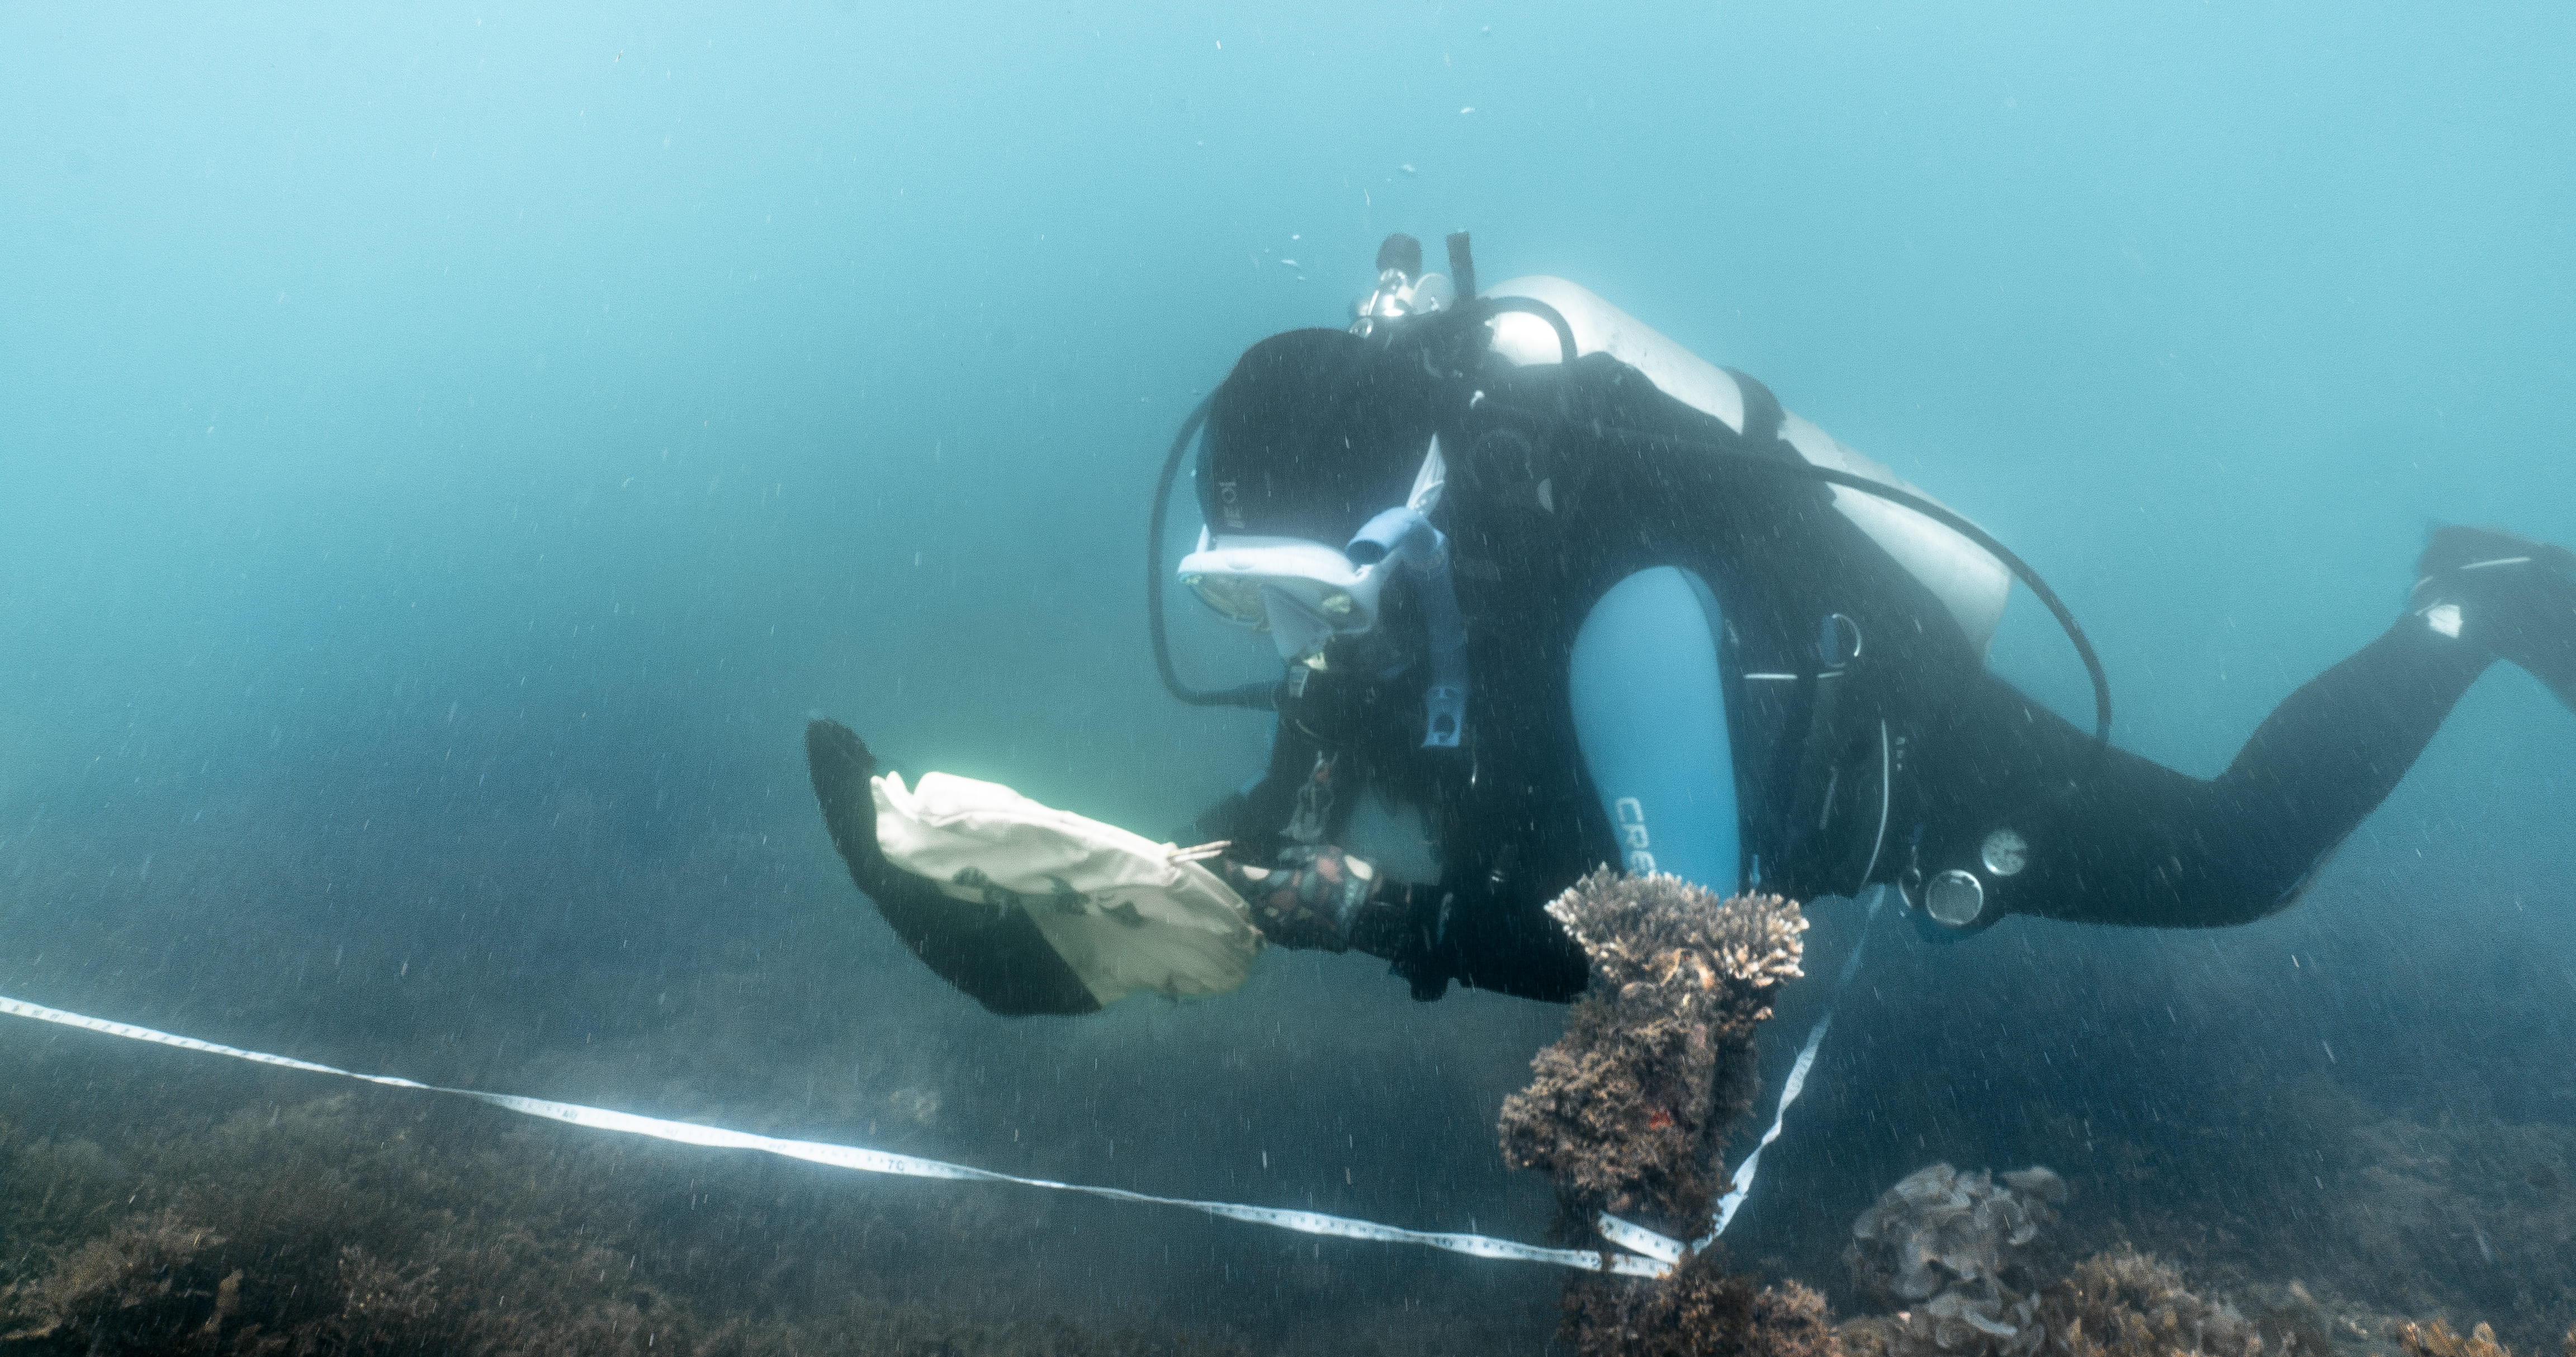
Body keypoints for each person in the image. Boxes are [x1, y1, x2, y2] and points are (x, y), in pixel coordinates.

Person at [808, 234, 2576, 1016]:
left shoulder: (1622, 606)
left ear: (1405, 528)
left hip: (1890, 752)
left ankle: (2471, 601)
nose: (1300, 651)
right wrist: (1097, 892)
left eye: (1310, 599)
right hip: (1651, 766)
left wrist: (1395, 923)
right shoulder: (1381, 613)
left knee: (2238, 856)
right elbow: (1308, 806)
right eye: (1250, 601)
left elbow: (1700, 966)